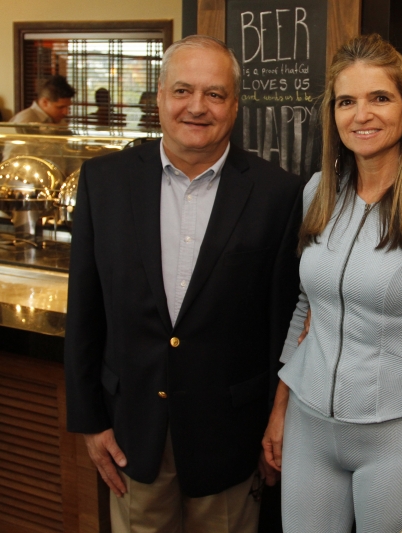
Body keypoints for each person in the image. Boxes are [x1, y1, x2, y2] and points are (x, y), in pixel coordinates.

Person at [64, 35, 303, 533]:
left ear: (235, 106)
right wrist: (89, 420)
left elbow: (283, 324)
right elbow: (84, 310)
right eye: (183, 91)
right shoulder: (102, 182)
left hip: (232, 441)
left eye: (215, 94)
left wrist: (276, 425)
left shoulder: (278, 194)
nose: (197, 107)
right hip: (132, 433)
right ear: (159, 98)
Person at [262, 34, 402, 533]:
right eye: (346, 101)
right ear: (332, 115)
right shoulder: (317, 192)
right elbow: (305, 309)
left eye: (379, 97)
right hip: (309, 428)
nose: (362, 115)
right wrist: (281, 407)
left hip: (398, 438)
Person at [10, 74, 74, 125]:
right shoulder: (26, 120)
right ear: (45, 102)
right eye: (60, 107)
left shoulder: (57, 118)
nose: (66, 112)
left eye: (68, 107)